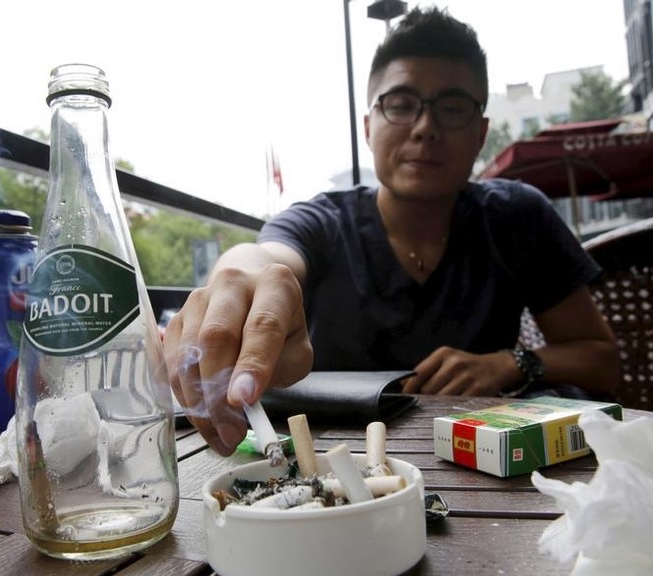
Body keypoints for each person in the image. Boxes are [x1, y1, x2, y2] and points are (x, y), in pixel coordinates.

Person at [163, 7, 620, 457]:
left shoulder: (519, 217)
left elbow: (603, 361)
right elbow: (263, 260)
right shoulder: (323, 222)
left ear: (481, 133)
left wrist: (512, 364)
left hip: (489, 467)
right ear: (369, 126)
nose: (425, 128)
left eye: (452, 108)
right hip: (332, 466)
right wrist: (239, 285)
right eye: (401, 105)